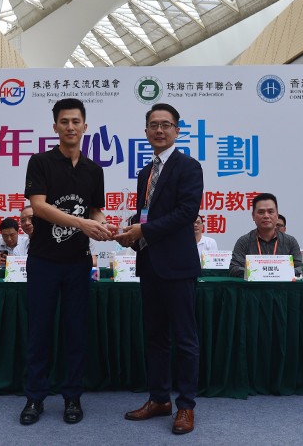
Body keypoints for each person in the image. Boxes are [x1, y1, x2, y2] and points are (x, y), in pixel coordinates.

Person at [20, 98, 115, 426]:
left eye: (76, 121)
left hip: (78, 262)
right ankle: (35, 397)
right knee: (39, 331)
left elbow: (95, 210)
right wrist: (83, 223)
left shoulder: (94, 170)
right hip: (43, 260)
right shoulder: (40, 162)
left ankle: (72, 396)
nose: (70, 127)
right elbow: (39, 206)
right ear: (55, 127)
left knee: (76, 331)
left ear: (85, 127)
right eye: (64, 121)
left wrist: (103, 225)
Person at [116, 103, 203, 435]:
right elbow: (146, 215)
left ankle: (186, 406)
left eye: (166, 125)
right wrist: (129, 233)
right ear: (146, 131)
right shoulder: (145, 173)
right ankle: (159, 399)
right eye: (153, 125)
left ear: (177, 131)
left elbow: (186, 213)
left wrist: (144, 230)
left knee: (185, 339)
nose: (159, 130)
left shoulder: (188, 167)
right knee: (155, 337)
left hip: (178, 266)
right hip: (149, 263)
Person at [229, 193, 303, 278]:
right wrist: (260, 272)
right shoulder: (244, 241)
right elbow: (233, 269)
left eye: (270, 212)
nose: (266, 216)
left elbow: (301, 268)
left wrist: (280, 272)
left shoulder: (290, 241)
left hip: (282, 286)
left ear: (277, 215)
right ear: (253, 216)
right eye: (261, 212)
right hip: (253, 286)